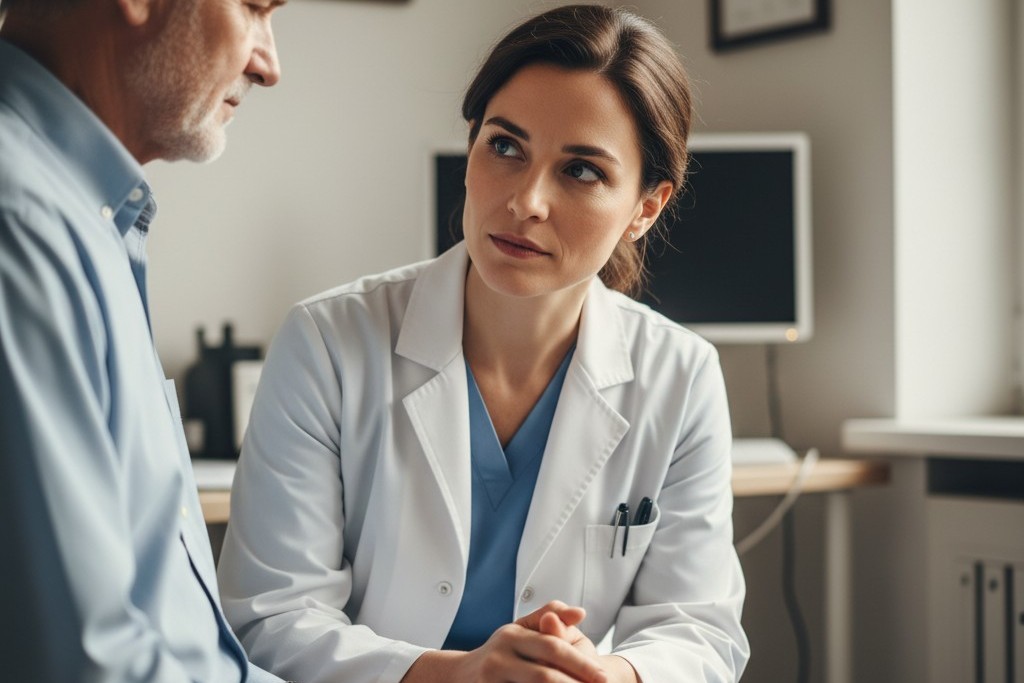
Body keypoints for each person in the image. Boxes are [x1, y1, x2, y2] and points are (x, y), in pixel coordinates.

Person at [218, 4, 750, 682]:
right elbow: (268, 619)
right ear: (471, 148)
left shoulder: (681, 375)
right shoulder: (328, 342)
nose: (526, 200)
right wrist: (462, 674)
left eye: (581, 171)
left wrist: (608, 675)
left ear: (644, 208)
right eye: (505, 146)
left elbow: (699, 630)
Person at [0, 0, 290, 681]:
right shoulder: (21, 229)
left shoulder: (91, 220)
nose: (270, 64)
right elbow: (86, 664)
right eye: (254, 8)